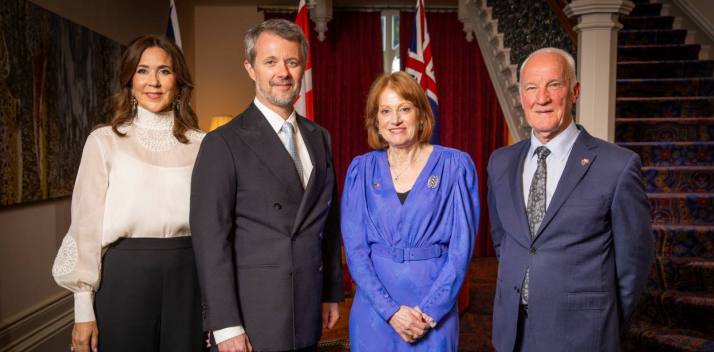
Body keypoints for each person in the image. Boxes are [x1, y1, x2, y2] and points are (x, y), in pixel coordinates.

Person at [189, 19, 344, 352]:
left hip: (308, 305)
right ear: (250, 69)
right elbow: (210, 241)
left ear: (303, 68)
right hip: (251, 316)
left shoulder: (320, 138)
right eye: (271, 61)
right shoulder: (223, 143)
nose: (282, 72)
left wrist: (331, 292)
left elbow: (328, 225)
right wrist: (224, 324)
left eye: (292, 62)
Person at [487, 47, 654, 352]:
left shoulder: (617, 165)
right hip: (511, 331)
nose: (542, 98)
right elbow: (505, 240)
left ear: (574, 91)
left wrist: (602, 321)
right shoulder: (500, 161)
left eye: (554, 84)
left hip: (581, 335)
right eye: (531, 88)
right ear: (521, 96)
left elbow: (634, 260)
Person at [52, 35, 206, 352]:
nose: (153, 81)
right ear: (129, 81)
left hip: (188, 278)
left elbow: (217, 226)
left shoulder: (204, 145)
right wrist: (83, 311)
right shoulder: (104, 141)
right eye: (142, 70)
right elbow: (86, 228)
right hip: (123, 277)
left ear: (178, 82)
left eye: (164, 71)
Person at [341, 71, 479, 351]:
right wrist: (391, 311)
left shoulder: (456, 166)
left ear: (421, 115)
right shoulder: (361, 170)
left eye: (404, 109)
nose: (395, 120)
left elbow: (460, 250)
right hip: (374, 312)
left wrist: (428, 313)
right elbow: (355, 252)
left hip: (430, 314)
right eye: (386, 111)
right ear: (376, 121)